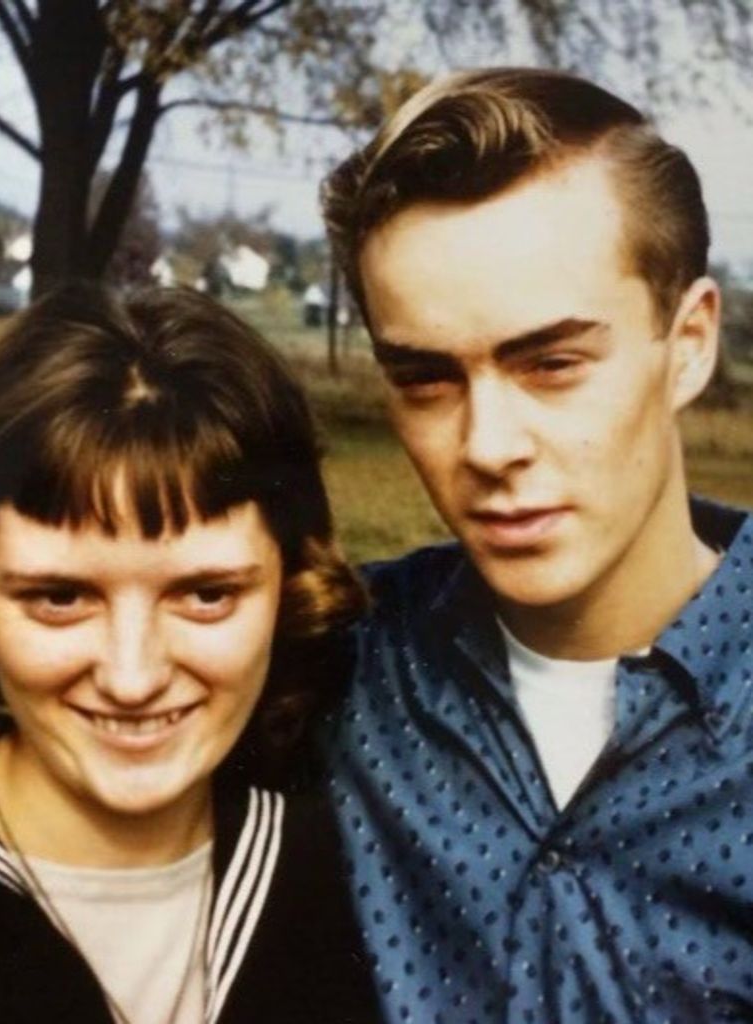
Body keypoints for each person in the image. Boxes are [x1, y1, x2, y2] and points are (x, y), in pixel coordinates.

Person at [317, 67, 753, 1023]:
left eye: (552, 363)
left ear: (689, 343)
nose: (487, 446)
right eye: (426, 379)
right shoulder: (336, 673)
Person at [0, 285, 380, 1024]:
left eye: (206, 595)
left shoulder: (341, 877)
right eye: (60, 597)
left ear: (292, 582)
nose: (132, 678)